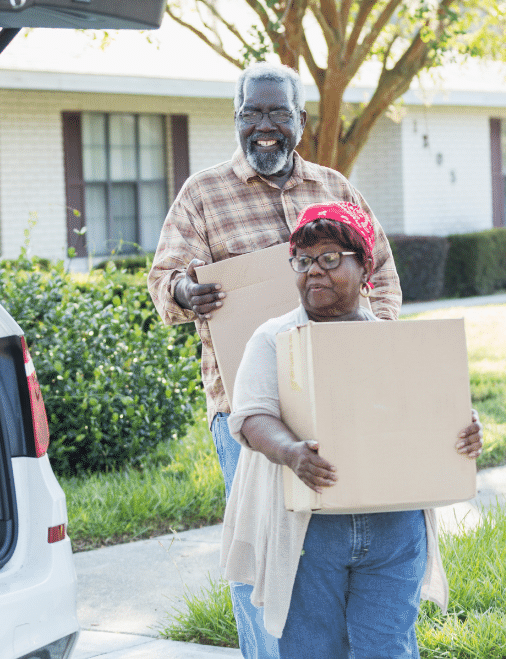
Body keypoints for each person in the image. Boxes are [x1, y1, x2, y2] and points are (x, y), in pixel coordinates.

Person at [147, 62, 402, 657]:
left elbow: (383, 275)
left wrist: (375, 342)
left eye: (277, 113)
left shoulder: (336, 189)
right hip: (246, 401)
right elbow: (163, 278)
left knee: (336, 536)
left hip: (342, 394)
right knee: (264, 546)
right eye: (252, 113)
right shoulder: (202, 193)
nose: (265, 126)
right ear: (237, 119)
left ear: (300, 122)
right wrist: (186, 292)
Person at [221, 202, 483, 658]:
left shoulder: (395, 341)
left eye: (329, 258)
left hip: (394, 530)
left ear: (365, 268)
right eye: (302, 262)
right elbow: (251, 417)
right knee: (312, 650)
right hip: (308, 532)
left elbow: (431, 413)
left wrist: (464, 429)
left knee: (389, 649)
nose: (313, 272)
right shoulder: (272, 339)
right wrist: (292, 452)